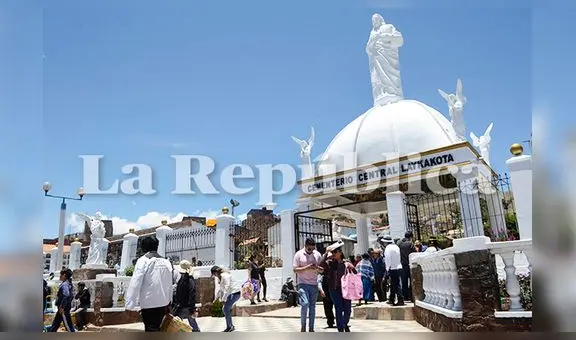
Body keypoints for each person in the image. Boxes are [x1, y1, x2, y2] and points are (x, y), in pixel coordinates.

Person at [125, 236, 175, 332]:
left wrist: (129, 305)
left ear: (143, 248)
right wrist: (169, 302)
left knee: (151, 329)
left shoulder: (143, 261)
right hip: (163, 303)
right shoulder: (166, 262)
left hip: (149, 304)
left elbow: (135, 283)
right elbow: (169, 284)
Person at [319, 245, 355, 332]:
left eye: (335, 252)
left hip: (346, 289)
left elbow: (355, 273)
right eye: (333, 252)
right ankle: (340, 329)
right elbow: (320, 264)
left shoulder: (346, 262)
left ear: (340, 252)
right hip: (334, 289)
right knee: (338, 308)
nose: (334, 254)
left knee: (348, 310)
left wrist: (352, 267)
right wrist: (326, 253)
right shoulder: (329, 263)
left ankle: (344, 323)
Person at [292, 238, 322, 332]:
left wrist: (318, 268)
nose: (311, 251)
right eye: (309, 249)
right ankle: (303, 326)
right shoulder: (298, 254)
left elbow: (321, 269)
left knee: (312, 306)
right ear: (305, 246)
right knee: (305, 304)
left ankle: (311, 328)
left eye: (312, 249)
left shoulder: (317, 254)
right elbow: (295, 270)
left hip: (314, 284)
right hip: (303, 283)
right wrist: (307, 267)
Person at [211, 265, 242, 332]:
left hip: (235, 293)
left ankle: (230, 327)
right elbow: (221, 290)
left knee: (225, 309)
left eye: (214, 274)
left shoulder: (225, 276)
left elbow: (227, 288)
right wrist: (216, 298)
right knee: (225, 309)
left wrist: (223, 299)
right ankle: (230, 326)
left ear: (215, 273)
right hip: (231, 294)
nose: (215, 276)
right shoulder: (220, 277)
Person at [172, 260, 200, 332]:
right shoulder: (186, 278)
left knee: (176, 324)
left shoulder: (186, 279)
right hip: (186, 306)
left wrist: (192, 308)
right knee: (192, 324)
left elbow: (192, 293)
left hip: (185, 306)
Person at [382, 236, 404, 306]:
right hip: (399, 267)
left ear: (386, 242)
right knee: (394, 284)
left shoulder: (387, 248)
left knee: (396, 285)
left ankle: (400, 299)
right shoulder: (396, 247)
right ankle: (391, 299)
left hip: (392, 268)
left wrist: (387, 269)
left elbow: (387, 260)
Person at [398, 231, 417, 302]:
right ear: (410, 237)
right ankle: (412, 296)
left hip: (401, 265)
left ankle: (405, 296)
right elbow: (415, 252)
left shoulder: (399, 243)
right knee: (412, 280)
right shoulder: (410, 243)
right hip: (409, 264)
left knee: (404, 281)